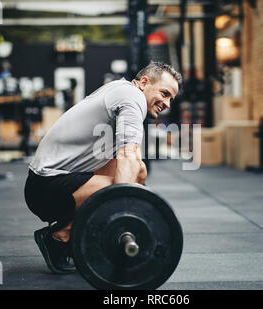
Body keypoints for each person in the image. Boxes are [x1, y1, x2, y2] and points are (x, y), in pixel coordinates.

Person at [24, 61, 182, 274]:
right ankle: (60, 236)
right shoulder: (132, 97)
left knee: (138, 170)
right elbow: (128, 154)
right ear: (144, 82)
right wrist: (124, 216)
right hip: (46, 187)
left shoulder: (121, 88)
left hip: (51, 181)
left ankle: (74, 234)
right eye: (164, 93)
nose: (167, 103)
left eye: (171, 98)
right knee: (128, 177)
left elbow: (132, 162)